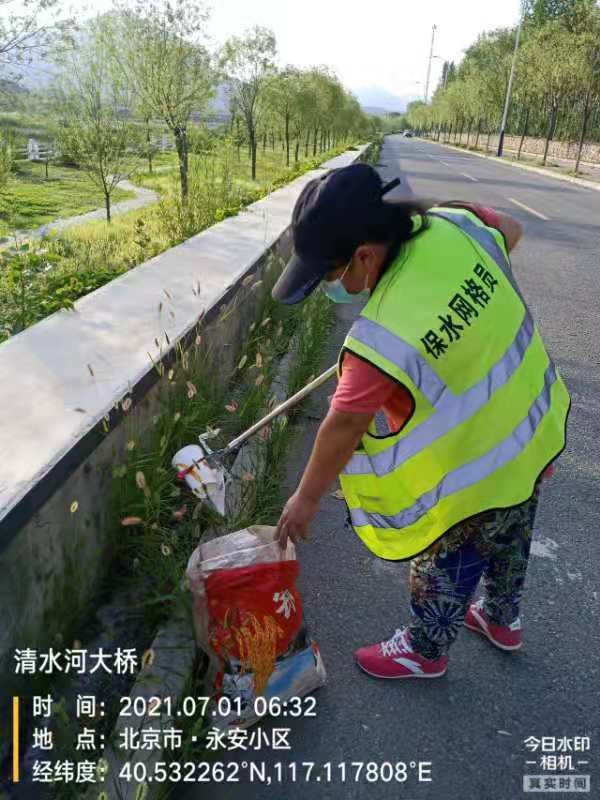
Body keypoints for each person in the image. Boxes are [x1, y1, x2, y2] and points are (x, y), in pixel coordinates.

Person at [271, 162, 570, 680]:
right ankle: (502, 618)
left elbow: (343, 426)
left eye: (329, 274)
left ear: (364, 255)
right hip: (533, 429)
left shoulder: (381, 341)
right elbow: (512, 231)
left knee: (446, 559)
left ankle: (424, 650)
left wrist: (307, 499)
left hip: (473, 472)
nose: (330, 286)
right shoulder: (459, 224)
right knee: (513, 531)